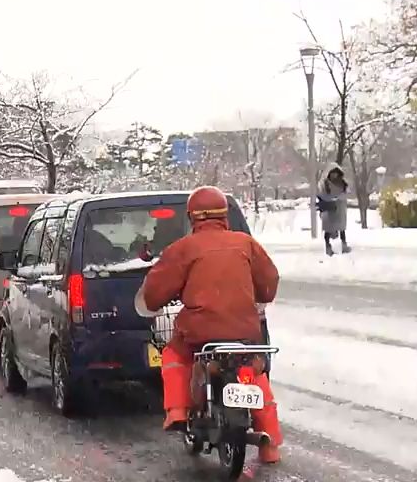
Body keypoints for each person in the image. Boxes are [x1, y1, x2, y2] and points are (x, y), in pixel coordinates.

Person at [139, 186, 283, 464]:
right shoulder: (246, 243)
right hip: (244, 331)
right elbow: (269, 282)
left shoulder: (183, 249)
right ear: (223, 214)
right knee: (254, 372)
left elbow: (156, 291)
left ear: (192, 217)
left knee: (174, 355)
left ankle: (178, 411)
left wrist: (155, 302)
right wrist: (258, 298)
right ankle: (270, 443)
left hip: (199, 332)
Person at [318, 162, 351, 255]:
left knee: (341, 228)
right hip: (329, 208)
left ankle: (344, 245)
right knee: (328, 229)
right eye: (332, 173)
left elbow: (346, 193)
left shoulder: (343, 183)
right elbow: (321, 194)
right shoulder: (325, 184)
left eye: (336, 173)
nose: (334, 175)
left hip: (339, 208)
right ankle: (328, 246)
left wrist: (340, 197)